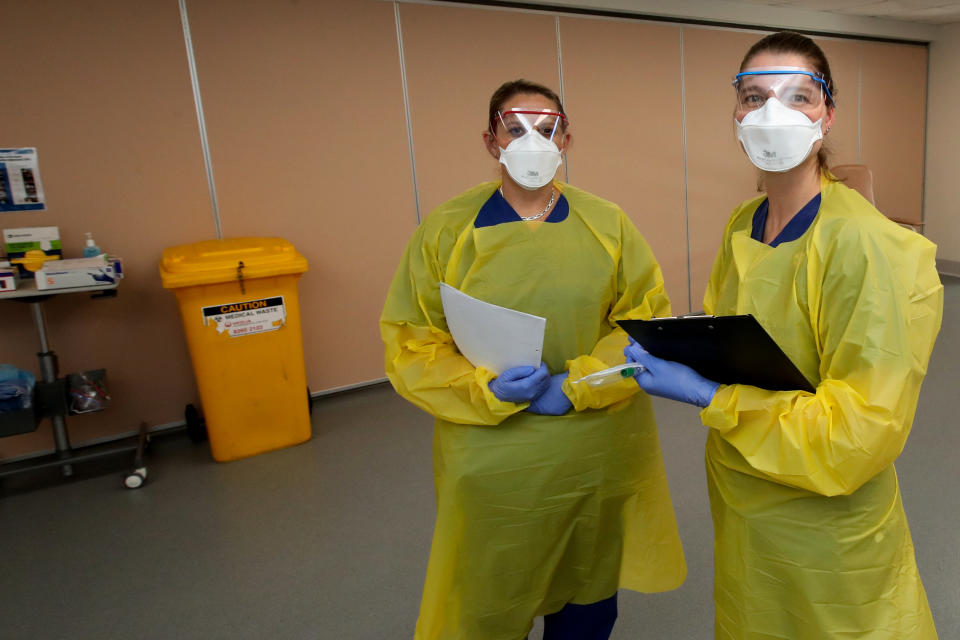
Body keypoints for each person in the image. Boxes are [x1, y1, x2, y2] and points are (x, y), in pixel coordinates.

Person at [624, 31, 943, 639]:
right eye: (753, 96)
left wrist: (711, 398)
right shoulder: (745, 222)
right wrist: (682, 345)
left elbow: (858, 436)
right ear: (736, 115)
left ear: (828, 113)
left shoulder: (870, 248)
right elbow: (734, 328)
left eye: (797, 96)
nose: (771, 114)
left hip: (827, 523)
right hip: (745, 494)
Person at [381, 79, 686, 640]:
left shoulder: (607, 225)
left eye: (546, 129)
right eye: (515, 128)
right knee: (491, 594)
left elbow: (642, 322)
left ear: (567, 137)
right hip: (491, 458)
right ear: (490, 140)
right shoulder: (448, 232)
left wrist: (578, 385)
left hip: (594, 450)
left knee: (588, 595)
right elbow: (412, 340)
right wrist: (483, 390)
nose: (531, 141)